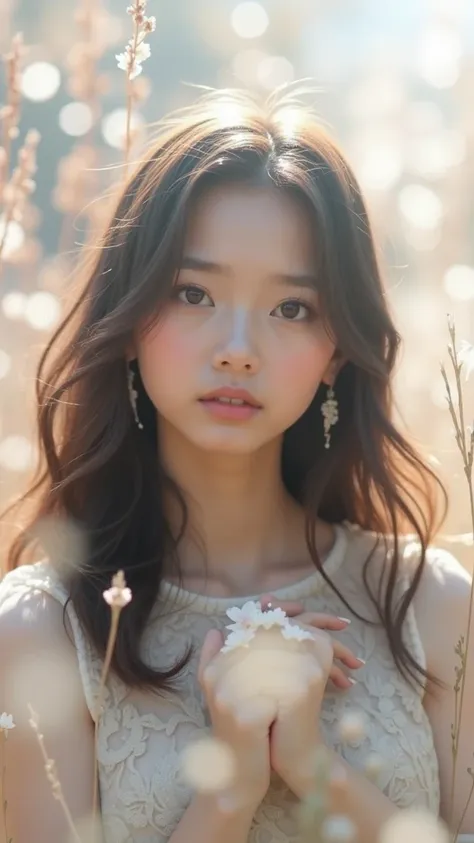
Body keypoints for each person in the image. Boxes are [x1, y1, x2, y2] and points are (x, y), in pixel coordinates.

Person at [0, 86, 472, 843]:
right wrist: (234, 782)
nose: (238, 347)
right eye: (193, 293)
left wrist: (314, 763)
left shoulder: (431, 607)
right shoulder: (43, 629)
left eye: (292, 308)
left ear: (337, 353)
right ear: (127, 323)